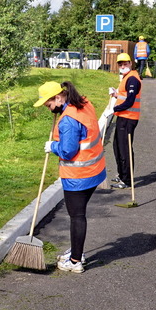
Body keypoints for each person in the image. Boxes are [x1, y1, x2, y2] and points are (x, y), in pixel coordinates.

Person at [35, 80, 107, 273]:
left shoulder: (67, 120)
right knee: (79, 213)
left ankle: (75, 261)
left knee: (77, 215)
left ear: (58, 97)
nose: (47, 108)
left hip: (78, 175)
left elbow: (68, 151)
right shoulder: (83, 103)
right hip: (95, 170)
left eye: (48, 104)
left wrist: (53, 146)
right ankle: (77, 250)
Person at [109, 52, 142, 189]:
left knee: (125, 149)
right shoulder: (126, 77)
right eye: (120, 64)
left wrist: (115, 109)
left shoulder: (133, 79)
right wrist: (116, 94)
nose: (123, 66)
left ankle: (127, 180)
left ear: (130, 63)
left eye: (125, 63)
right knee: (117, 147)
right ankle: (121, 174)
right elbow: (124, 95)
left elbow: (130, 101)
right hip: (123, 117)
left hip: (129, 118)